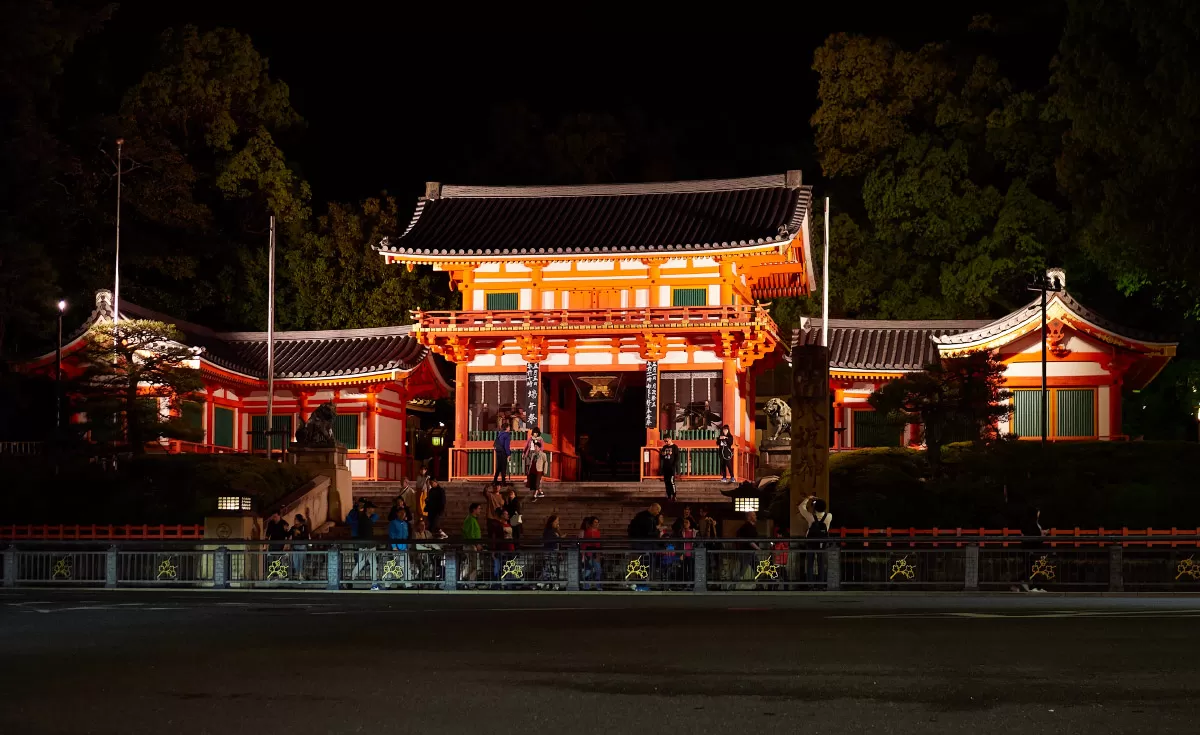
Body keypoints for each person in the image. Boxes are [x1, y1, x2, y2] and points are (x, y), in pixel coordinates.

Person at [797, 495, 832, 586]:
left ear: (815, 507)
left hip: (811, 543)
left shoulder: (810, 517)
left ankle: (810, 584)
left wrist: (808, 498)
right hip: (822, 543)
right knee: (821, 564)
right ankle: (821, 584)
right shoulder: (829, 516)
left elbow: (801, 507)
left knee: (810, 564)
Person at [351, 500, 380, 587]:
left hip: (369, 545)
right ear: (367, 509)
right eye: (372, 508)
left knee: (371, 563)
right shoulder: (363, 519)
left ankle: (374, 583)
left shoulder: (366, 518)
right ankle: (351, 579)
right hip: (365, 545)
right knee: (362, 563)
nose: (373, 510)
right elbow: (363, 533)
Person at [387, 505, 411, 585]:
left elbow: (406, 535)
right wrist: (394, 546)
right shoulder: (393, 523)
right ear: (397, 513)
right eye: (401, 513)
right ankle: (388, 583)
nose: (402, 514)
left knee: (406, 565)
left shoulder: (405, 524)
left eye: (404, 513)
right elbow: (392, 535)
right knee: (394, 566)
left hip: (404, 547)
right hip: (396, 548)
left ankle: (408, 584)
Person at [461, 503, 483, 583]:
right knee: (473, 565)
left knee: (473, 566)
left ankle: (469, 582)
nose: (480, 510)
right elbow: (469, 533)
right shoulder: (470, 519)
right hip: (471, 545)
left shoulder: (473, 519)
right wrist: (476, 544)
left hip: (473, 545)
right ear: (474, 509)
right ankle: (466, 581)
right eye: (479, 508)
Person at [411, 517, 435, 581]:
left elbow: (431, 542)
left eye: (424, 525)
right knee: (421, 566)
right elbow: (416, 545)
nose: (423, 526)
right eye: (421, 525)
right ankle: (420, 579)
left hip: (427, 553)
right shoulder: (415, 534)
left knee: (430, 565)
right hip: (418, 554)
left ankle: (429, 579)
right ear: (418, 526)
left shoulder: (428, 533)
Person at [581, 516, 603, 589]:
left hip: (596, 553)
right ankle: (586, 586)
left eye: (597, 522)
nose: (597, 524)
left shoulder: (597, 532)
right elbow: (586, 544)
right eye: (595, 522)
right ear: (591, 523)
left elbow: (598, 544)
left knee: (598, 569)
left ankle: (597, 585)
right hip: (589, 553)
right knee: (589, 569)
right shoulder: (587, 532)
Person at [541, 515, 562, 584]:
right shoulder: (548, 531)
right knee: (549, 568)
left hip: (555, 551)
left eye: (558, 521)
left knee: (554, 569)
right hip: (549, 551)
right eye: (556, 521)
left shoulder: (555, 530)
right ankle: (547, 583)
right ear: (552, 522)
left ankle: (554, 584)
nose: (558, 523)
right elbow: (550, 540)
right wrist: (559, 538)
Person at [289, 513, 310, 580]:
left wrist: (300, 533)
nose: (294, 520)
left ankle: (301, 575)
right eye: (294, 519)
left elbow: (306, 536)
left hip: (302, 546)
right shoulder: (293, 528)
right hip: (295, 546)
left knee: (301, 561)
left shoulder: (304, 527)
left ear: (299, 520)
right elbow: (288, 534)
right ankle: (298, 574)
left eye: (295, 519)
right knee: (295, 561)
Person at [493, 420, 512, 485]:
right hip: (503, 452)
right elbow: (506, 446)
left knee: (499, 466)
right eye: (509, 427)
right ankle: (503, 481)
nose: (510, 428)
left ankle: (495, 480)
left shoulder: (500, 434)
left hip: (498, 451)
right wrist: (508, 454)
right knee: (503, 466)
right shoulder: (507, 435)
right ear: (506, 428)